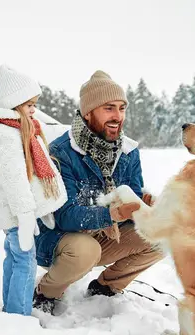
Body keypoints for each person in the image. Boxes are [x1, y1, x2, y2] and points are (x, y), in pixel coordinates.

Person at [33, 70, 165, 314]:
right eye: (108, 108)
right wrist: (112, 214)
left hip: (107, 234)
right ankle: (46, 292)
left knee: (162, 236)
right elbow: (65, 215)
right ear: (88, 112)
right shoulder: (62, 152)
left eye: (122, 108)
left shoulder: (128, 151)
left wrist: (146, 204)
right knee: (86, 250)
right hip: (59, 239)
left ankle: (105, 287)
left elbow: (132, 193)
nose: (118, 116)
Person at [0, 64, 68, 316]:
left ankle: (10, 308)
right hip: (17, 213)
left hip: (16, 211)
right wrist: (26, 216)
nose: (34, 109)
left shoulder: (12, 129)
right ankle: (18, 315)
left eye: (35, 104)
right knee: (24, 261)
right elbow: (15, 181)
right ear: (14, 104)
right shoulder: (5, 136)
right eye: (29, 104)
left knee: (14, 257)